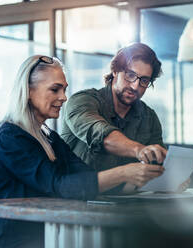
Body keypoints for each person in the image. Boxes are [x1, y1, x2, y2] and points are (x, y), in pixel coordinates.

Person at [0, 55, 164, 248]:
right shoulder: (8, 137)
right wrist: (124, 173)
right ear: (27, 90)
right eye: (55, 89)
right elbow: (60, 186)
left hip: (50, 240)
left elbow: (85, 175)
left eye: (64, 89)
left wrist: (140, 179)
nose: (63, 97)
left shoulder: (49, 136)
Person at [61, 43, 169, 193]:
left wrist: (171, 178)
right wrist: (139, 150)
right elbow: (101, 134)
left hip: (125, 204)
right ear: (115, 71)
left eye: (144, 80)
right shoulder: (82, 101)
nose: (135, 86)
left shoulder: (149, 117)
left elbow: (157, 164)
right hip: (77, 201)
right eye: (130, 75)